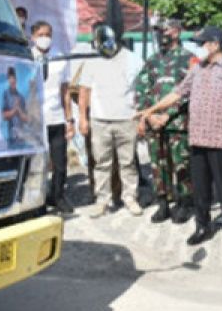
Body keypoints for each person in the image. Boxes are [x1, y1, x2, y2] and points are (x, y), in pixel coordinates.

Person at [138, 26, 222, 247]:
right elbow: (177, 93)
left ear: (215, 44)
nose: (199, 48)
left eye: (202, 44)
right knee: (200, 187)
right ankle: (203, 226)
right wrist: (150, 110)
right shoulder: (197, 69)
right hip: (197, 138)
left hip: (220, 138)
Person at [134, 18, 194, 225]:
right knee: (158, 166)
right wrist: (149, 115)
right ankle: (163, 203)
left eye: (165, 30)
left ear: (177, 32)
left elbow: (191, 92)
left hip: (178, 124)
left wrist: (168, 114)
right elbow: (141, 89)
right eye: (159, 31)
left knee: (181, 165)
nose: (162, 34)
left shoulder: (189, 59)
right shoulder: (152, 60)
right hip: (155, 124)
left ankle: (184, 203)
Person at [78, 28, 143, 218]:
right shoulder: (91, 61)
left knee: (128, 162)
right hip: (100, 120)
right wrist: (82, 118)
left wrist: (140, 117)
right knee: (101, 163)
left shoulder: (133, 59)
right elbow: (84, 91)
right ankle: (102, 200)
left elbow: (141, 88)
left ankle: (130, 197)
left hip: (126, 118)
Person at [31, 20, 74, 214]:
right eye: (41, 34)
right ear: (33, 37)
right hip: (35, 120)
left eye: (48, 34)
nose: (45, 38)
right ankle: (35, 199)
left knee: (60, 162)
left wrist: (69, 119)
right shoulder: (27, 57)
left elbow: (65, 90)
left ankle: (57, 196)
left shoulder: (60, 58)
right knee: (36, 162)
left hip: (56, 117)